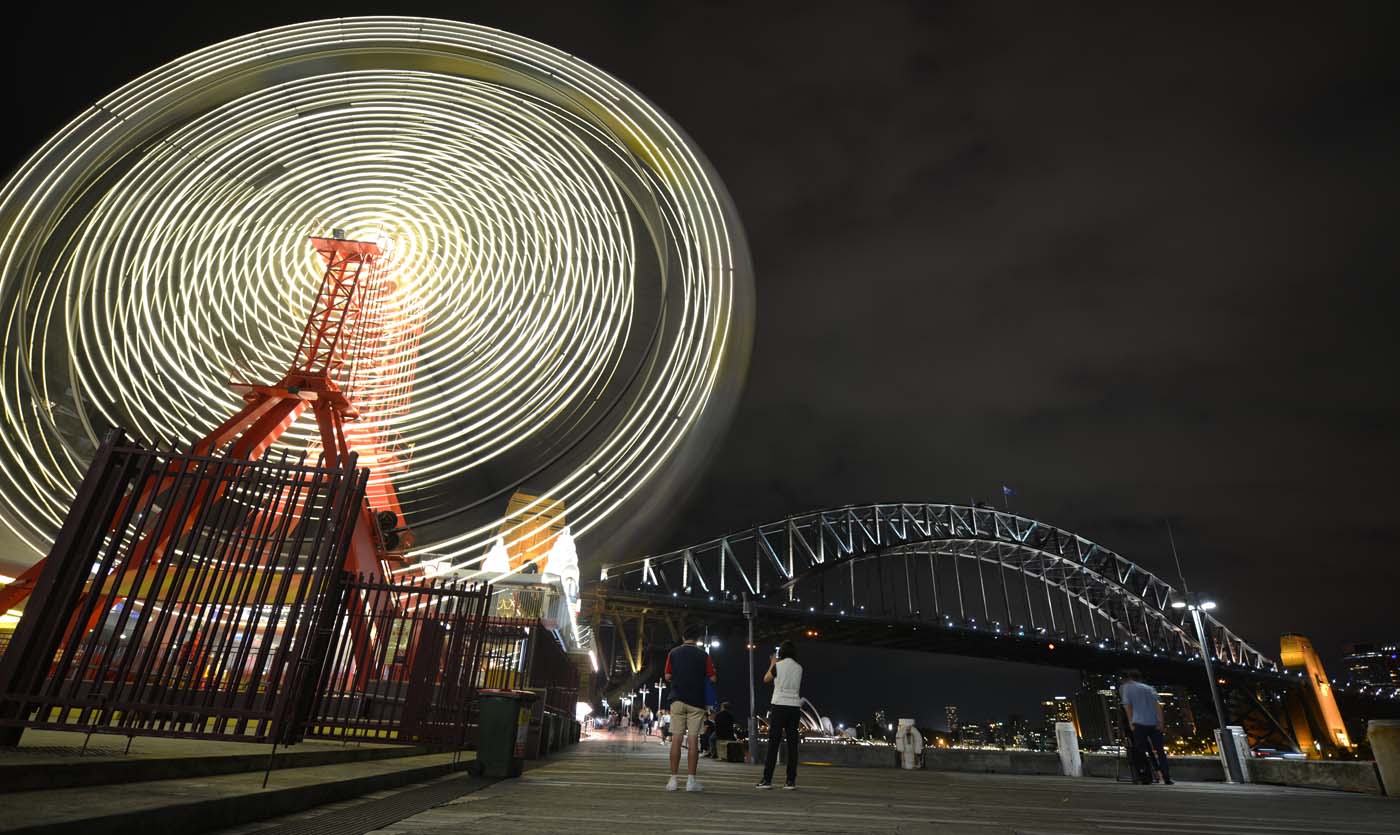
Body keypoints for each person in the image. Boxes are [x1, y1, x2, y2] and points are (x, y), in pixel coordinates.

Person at [663, 624, 717, 791]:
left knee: (676, 739)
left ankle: (673, 781)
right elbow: (713, 678)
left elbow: (667, 676)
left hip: (677, 700)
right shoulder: (704, 655)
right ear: (698, 639)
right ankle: (691, 781)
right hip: (696, 702)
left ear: (683, 637)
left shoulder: (673, 653)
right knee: (694, 740)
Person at [757, 640, 804, 790]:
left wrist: (772, 663)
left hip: (779, 706)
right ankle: (790, 781)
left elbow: (766, 679)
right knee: (792, 745)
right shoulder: (799, 668)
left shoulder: (778, 666)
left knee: (773, 744)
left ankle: (767, 780)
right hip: (794, 708)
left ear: (781, 653)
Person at [1120, 669, 1173, 785]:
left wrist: (1130, 722)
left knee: (1141, 751)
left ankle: (1146, 777)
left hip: (1139, 723)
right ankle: (1167, 777)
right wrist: (1161, 722)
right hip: (1154, 723)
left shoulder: (1126, 688)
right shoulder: (1150, 688)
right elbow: (1158, 706)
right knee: (1160, 752)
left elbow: (1128, 707)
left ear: (1129, 678)